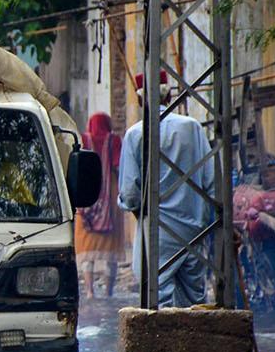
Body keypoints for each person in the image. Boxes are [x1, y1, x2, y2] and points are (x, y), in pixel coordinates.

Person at [119, 73, 217, 308]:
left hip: (157, 230)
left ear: (140, 101)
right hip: (195, 228)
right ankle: (198, 342)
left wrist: (134, 209)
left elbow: (130, 193)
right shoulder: (192, 128)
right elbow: (212, 180)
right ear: (170, 94)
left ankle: (164, 344)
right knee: (195, 298)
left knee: (158, 300)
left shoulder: (135, 134)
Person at [76, 111, 129, 298]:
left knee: (86, 248)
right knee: (111, 250)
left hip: (85, 199)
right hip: (111, 199)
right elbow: (117, 165)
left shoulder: (83, 139)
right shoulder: (114, 140)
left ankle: (89, 291)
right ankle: (108, 291)